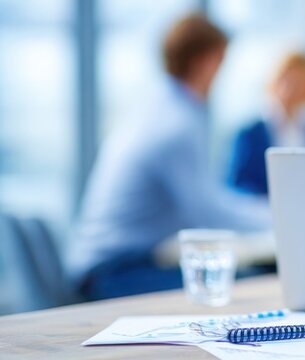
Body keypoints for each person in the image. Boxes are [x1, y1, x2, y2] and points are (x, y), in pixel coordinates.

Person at [68, 14, 271, 300]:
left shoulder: (158, 108)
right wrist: (280, 215)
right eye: (221, 61)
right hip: (112, 273)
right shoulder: (177, 124)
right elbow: (208, 213)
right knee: (251, 286)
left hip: (113, 264)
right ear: (205, 60)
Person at [227, 52, 305, 195]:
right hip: (260, 214)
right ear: (275, 80)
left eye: (300, 81)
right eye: (288, 79)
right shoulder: (249, 135)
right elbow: (236, 186)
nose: (292, 88)